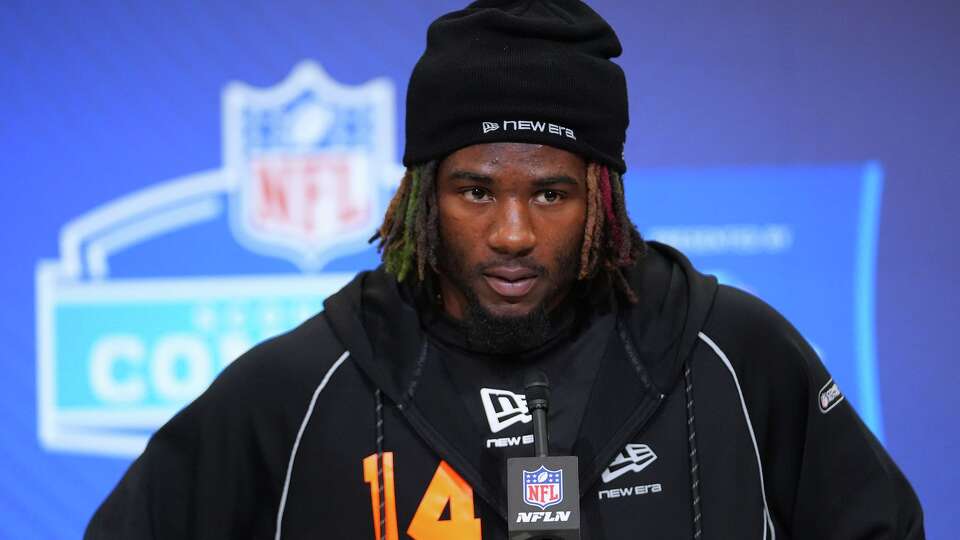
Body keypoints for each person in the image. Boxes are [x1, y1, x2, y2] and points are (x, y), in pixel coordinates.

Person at [86, 1, 924, 539]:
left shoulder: (738, 355)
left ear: (602, 196)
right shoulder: (299, 388)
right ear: (422, 194)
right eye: (476, 190)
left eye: (551, 192)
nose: (513, 233)